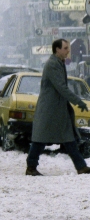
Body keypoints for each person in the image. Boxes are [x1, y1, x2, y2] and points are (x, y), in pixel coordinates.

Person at [26, 39, 90, 176]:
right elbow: (61, 87)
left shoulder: (59, 63)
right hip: (49, 109)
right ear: (57, 50)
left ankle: (81, 166)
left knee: (68, 138)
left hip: (58, 109)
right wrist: (78, 101)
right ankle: (31, 166)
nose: (68, 50)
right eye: (65, 48)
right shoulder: (52, 65)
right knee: (40, 139)